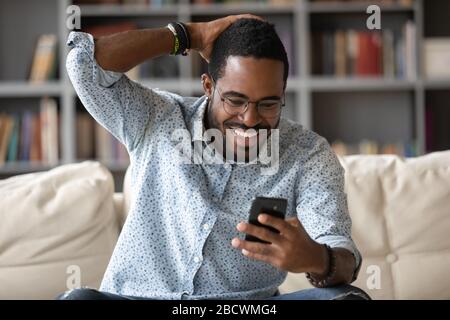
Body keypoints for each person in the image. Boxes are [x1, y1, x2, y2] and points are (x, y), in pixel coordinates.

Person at [60, 14, 370, 300]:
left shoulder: (307, 153)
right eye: (235, 101)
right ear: (208, 86)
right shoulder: (156, 118)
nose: (249, 119)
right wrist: (189, 35)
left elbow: (342, 252)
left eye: (267, 104)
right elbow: (83, 63)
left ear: (283, 93)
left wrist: (318, 259)